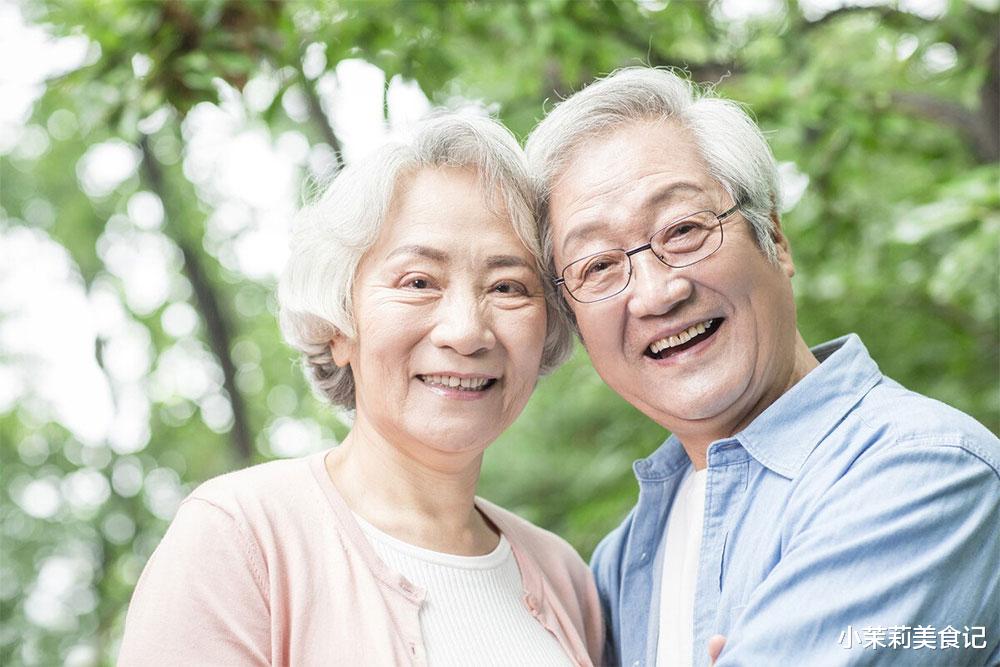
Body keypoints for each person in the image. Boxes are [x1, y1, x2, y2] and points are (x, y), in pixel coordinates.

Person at [525, 67, 999, 666]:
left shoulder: (924, 470)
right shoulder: (625, 559)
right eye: (597, 266)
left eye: (684, 230)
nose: (655, 293)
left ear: (773, 234)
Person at [118, 113, 604, 666]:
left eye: (508, 286)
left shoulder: (565, 577)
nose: (467, 331)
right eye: (419, 282)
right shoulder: (240, 537)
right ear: (337, 325)